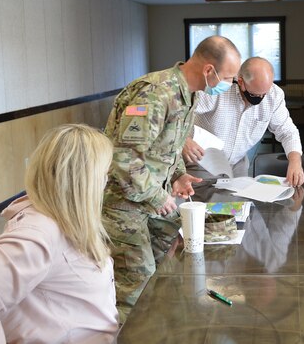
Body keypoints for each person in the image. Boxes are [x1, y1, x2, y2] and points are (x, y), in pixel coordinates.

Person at [102, 35, 241, 320]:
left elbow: (168, 148)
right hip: (125, 207)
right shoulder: (155, 93)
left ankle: (152, 327)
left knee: (163, 272)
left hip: (150, 204)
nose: (230, 85)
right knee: (135, 288)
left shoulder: (189, 95)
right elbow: (124, 158)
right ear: (208, 70)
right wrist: (159, 195)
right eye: (228, 78)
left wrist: (178, 176)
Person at [0, 124, 118, 344]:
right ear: (84, 180)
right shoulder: (40, 234)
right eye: (104, 174)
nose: (105, 183)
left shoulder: (64, 220)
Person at [183, 56, 304, 186]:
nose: (261, 98)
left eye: (265, 94)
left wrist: (295, 162)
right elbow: (174, 114)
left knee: (240, 204)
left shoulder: (274, 95)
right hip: (202, 161)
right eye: (256, 95)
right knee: (203, 204)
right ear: (240, 82)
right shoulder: (217, 87)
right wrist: (184, 140)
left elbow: (287, 131)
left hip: (237, 164)